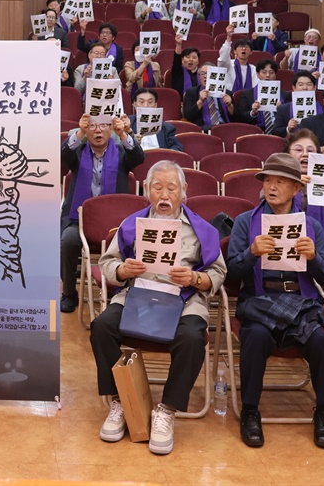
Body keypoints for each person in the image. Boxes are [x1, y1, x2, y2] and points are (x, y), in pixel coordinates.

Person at [90, 160, 224, 453]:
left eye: (171, 188)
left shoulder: (202, 229)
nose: (164, 195)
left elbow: (218, 272)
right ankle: (121, 401)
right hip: (138, 295)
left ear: (184, 191)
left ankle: (167, 409)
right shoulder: (131, 225)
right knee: (101, 327)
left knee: (191, 338)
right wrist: (124, 271)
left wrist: (195, 277)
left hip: (183, 298)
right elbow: (107, 263)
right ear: (147, 191)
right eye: (157, 188)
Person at [227, 152, 324, 449]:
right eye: (267, 181)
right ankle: (250, 410)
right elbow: (232, 274)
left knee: (319, 340)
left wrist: (313, 258)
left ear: (296, 189)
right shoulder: (244, 222)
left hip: (300, 303)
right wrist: (251, 252)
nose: (271, 187)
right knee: (257, 337)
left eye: (280, 182)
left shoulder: (311, 226)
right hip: (259, 301)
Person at [60, 114, 145, 313]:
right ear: (86, 130)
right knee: (68, 241)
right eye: (92, 126)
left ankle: (126, 293)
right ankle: (69, 293)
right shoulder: (79, 152)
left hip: (116, 223)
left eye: (104, 126)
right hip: (78, 220)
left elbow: (139, 157)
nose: (98, 131)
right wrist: (78, 132)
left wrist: (124, 133)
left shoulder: (122, 153)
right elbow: (63, 156)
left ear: (111, 129)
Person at [230, 59, 284, 132]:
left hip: (279, 133)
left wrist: (281, 111)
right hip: (255, 133)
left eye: (271, 72)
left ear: (275, 75)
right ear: (258, 75)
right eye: (264, 72)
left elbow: (289, 118)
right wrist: (253, 112)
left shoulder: (284, 95)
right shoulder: (247, 94)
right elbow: (240, 117)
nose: (267, 75)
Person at [270, 71, 320, 136]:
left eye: (309, 84)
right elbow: (275, 131)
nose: (305, 88)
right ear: (294, 88)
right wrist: (288, 129)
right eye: (301, 84)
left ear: (314, 88)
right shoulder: (283, 109)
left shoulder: (323, 108)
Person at [218, 27, 257, 93]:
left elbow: (256, 87)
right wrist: (228, 37)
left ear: (251, 52)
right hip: (229, 97)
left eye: (247, 47)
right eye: (240, 47)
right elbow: (223, 58)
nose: (243, 49)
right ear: (235, 51)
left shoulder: (254, 69)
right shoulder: (229, 64)